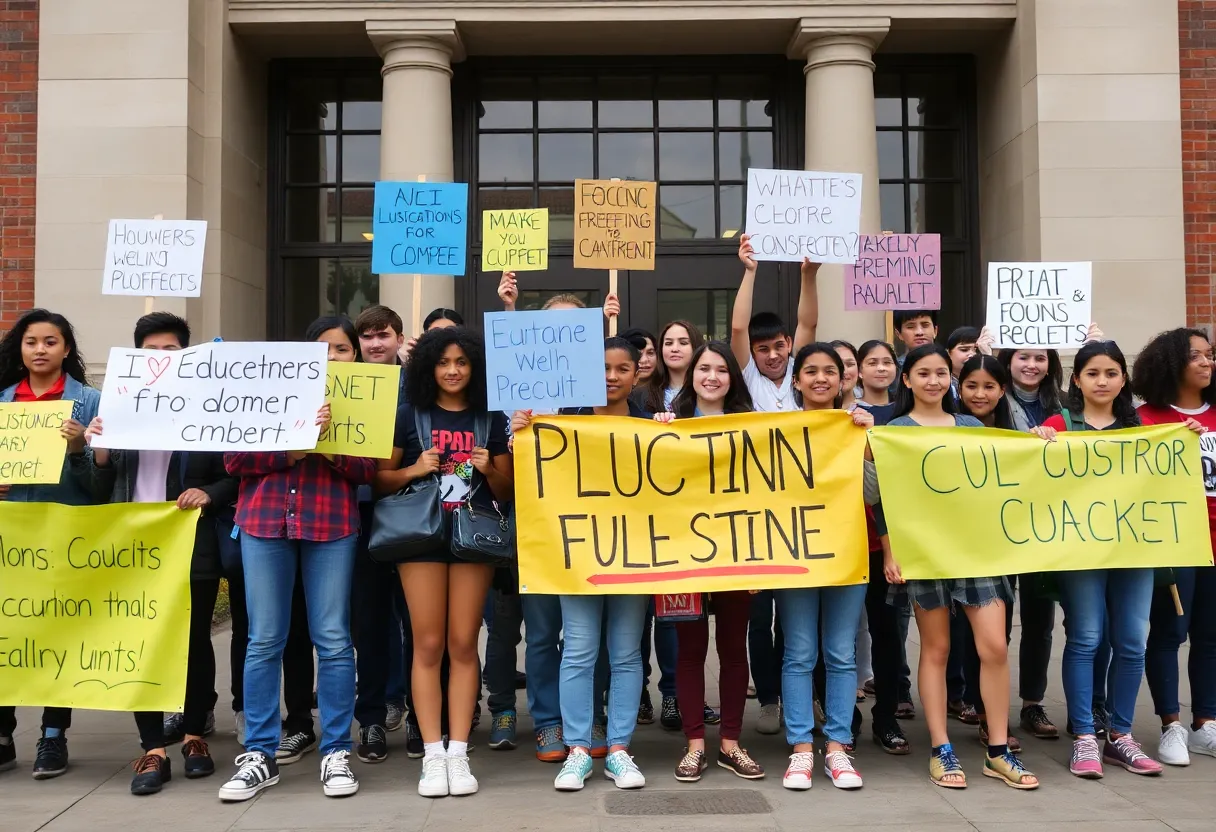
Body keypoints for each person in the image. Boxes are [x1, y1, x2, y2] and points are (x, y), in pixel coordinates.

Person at [218, 316, 375, 802]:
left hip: (331, 524)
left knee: (333, 639)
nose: (333, 357)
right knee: (265, 639)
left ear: (355, 355)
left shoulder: (365, 397)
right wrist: (290, 449)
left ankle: (336, 750)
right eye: (323, 348)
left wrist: (325, 446)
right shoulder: (266, 391)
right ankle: (260, 754)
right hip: (265, 522)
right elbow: (234, 460)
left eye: (343, 349)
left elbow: (369, 469)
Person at [83, 313, 239, 795]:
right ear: (136, 357)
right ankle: (152, 746)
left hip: (191, 539)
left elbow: (234, 473)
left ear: (186, 355)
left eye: (171, 350)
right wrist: (99, 449)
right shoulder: (118, 406)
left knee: (194, 640)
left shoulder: (211, 406)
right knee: (140, 640)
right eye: (150, 351)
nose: (161, 359)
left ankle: (193, 735)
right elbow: (98, 487)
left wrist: (209, 493)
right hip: (134, 543)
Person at [871, 344, 1038, 790]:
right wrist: (889, 551)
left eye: (941, 373)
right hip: (923, 554)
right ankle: (941, 747)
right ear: (906, 380)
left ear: (951, 379)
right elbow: (880, 498)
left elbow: (1004, 478)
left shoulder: (972, 426)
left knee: (995, 648)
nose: (933, 381)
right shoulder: (893, 431)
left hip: (976, 552)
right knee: (937, 649)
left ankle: (998, 750)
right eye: (923, 373)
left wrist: (1041, 445)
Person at [375, 327, 514, 798]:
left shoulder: (489, 418)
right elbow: (378, 480)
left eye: (462, 362)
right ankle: (432, 754)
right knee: (428, 643)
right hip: (420, 539)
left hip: (474, 537)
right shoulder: (407, 415)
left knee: (462, 643)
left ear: (475, 367)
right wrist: (414, 469)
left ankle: (459, 752)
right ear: (428, 367)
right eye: (442, 362)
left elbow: (507, 491)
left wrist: (489, 468)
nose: (452, 371)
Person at [513, 337, 651, 792]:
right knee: (578, 650)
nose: (611, 376)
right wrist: (521, 435)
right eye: (603, 368)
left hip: (634, 555)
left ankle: (618, 749)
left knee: (626, 654)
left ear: (637, 374)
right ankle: (577, 749)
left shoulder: (652, 425)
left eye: (622, 368)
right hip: (578, 557)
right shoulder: (561, 424)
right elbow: (530, 475)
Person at [1040, 339, 1164, 778]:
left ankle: (1120, 736)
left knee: (1132, 641)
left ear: (1123, 379)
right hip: (1080, 552)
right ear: (1076, 380)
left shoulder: (1143, 426)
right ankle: (1084, 737)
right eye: (1092, 373)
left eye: (1111, 373)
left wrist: (1185, 439)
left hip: (1134, 549)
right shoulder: (1059, 423)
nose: (1102, 381)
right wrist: (1038, 443)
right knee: (1087, 638)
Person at [654, 342, 764, 783]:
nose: (712, 376)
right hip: (682, 557)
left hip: (737, 553)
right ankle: (695, 744)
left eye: (721, 369)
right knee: (690, 651)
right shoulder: (670, 424)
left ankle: (731, 743)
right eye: (704, 368)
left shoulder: (753, 426)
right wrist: (656, 433)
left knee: (734, 649)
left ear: (732, 378)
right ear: (692, 375)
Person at [0, 309, 100, 779]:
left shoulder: (90, 402)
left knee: (60, 635)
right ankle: (3, 735)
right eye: (31, 341)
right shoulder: (3, 402)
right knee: (8, 631)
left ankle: (53, 735)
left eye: (50, 341)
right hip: (11, 538)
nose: (40, 349)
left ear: (66, 349)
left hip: (66, 537)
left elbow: (103, 485)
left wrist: (79, 449)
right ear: (19, 349)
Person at [776, 343, 872, 790]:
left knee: (840, 653)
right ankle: (800, 748)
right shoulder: (776, 430)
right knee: (799, 653)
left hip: (846, 552)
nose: (820, 378)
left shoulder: (858, 427)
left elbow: (872, 495)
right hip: (794, 556)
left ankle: (837, 747)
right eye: (810, 371)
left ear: (842, 379)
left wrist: (868, 446)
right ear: (796, 381)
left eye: (829, 371)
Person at [1132, 328, 1216, 765]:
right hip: (1174, 544)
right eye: (1195, 356)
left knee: (1210, 636)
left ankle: (1206, 723)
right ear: (1170, 364)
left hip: (1215, 546)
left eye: (1210, 355)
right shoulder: (1147, 419)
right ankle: (1171, 726)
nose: (1206, 362)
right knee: (1169, 633)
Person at [349, 306, 416, 761]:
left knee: (418, 624)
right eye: (368, 336)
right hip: (360, 516)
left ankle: (419, 717)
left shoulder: (419, 383)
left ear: (399, 338)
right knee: (369, 623)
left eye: (384, 335)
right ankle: (371, 719)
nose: (376, 343)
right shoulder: (345, 384)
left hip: (413, 515)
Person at [952, 355, 1025, 752]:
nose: (979, 394)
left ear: (1002, 390)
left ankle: (989, 715)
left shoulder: (1015, 434)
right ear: (959, 388)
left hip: (1001, 548)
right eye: (971, 386)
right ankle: (969, 704)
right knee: (959, 636)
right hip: (952, 545)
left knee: (997, 638)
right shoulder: (944, 427)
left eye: (989, 387)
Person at [995, 345, 1068, 741]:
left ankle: (1032, 704)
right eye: (1023, 357)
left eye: (1040, 358)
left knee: (1040, 621)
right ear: (1008, 361)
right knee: (996, 622)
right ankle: (990, 708)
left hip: (1047, 526)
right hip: (1000, 524)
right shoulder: (992, 401)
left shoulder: (1066, 405)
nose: (1032, 365)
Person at [636, 320, 705, 414]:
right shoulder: (640, 395)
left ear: (696, 347)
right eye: (668, 343)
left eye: (683, 343)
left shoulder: (707, 391)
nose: (674, 349)